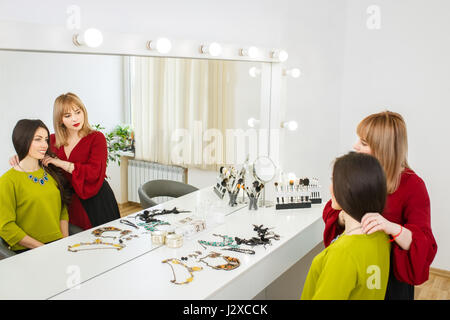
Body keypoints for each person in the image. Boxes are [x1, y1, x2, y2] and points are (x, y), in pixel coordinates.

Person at [322, 111, 437, 300]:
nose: (354, 146)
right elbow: (333, 207)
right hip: (357, 267)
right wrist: (344, 216)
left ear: (383, 149)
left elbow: (423, 244)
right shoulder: (361, 173)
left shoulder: (413, 186)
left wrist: (391, 227)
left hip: (390, 281)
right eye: (358, 139)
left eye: (364, 143)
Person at [10, 93, 121, 230]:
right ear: (60, 120)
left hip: (95, 198)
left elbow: (95, 172)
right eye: (67, 116)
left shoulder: (96, 138)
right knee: (72, 243)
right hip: (68, 202)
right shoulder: (52, 140)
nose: (75, 118)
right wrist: (20, 156)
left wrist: (62, 163)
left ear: (83, 112)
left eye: (78, 112)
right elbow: (35, 155)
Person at [301, 152, 390, 300]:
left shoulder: (343, 254)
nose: (330, 187)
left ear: (348, 190)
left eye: (334, 181)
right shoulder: (382, 236)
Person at [0, 119, 72, 254]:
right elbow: (6, 227)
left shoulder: (51, 171)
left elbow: (62, 209)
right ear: (23, 140)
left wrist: (64, 241)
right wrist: (43, 249)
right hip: (28, 250)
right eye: (38, 139)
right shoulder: (7, 181)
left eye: (46, 140)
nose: (44, 145)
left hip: (58, 245)